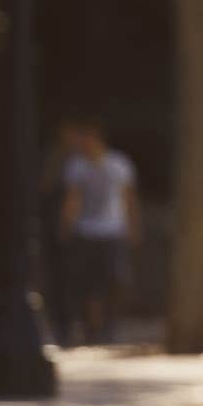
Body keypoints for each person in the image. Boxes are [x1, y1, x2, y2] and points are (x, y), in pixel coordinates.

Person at [59, 117, 141, 345]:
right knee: (90, 284)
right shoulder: (77, 166)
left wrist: (133, 226)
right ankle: (94, 328)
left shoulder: (119, 164)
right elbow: (72, 200)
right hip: (86, 232)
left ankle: (109, 323)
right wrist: (66, 226)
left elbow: (129, 199)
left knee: (116, 280)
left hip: (113, 232)